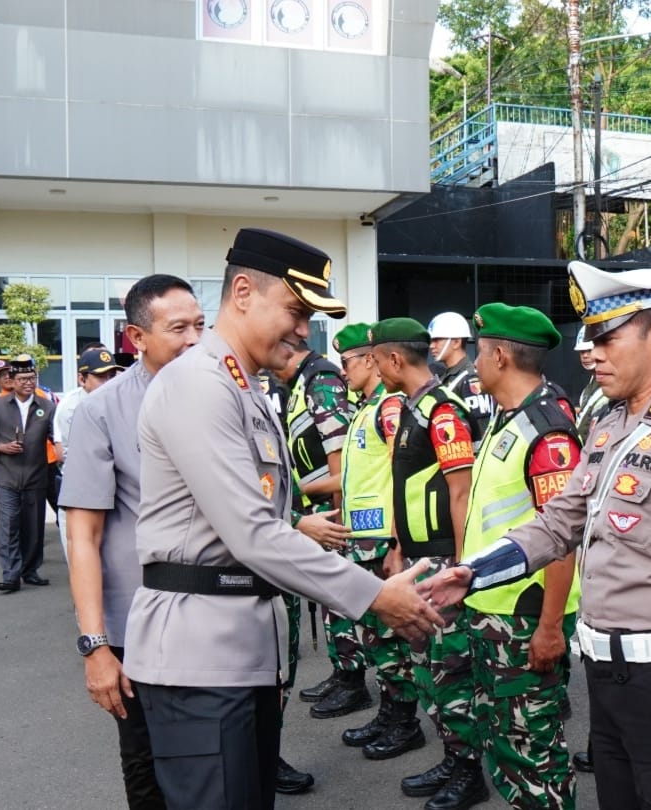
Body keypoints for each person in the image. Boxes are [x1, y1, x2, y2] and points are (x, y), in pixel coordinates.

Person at [122, 227, 442, 810]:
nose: (303, 330)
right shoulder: (200, 384)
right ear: (242, 292)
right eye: (295, 310)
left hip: (238, 650)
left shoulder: (242, 386)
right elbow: (251, 531)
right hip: (200, 660)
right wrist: (374, 596)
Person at [419, 259, 651, 810]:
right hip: (607, 674)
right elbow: (558, 523)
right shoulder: (610, 426)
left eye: (607, 336)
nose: (592, 353)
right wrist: (471, 573)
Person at [61, 275, 205, 809]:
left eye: (199, 325)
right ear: (136, 338)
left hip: (221, 619)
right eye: (177, 328)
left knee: (223, 764)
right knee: (150, 768)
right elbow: (83, 534)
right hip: (141, 627)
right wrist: (95, 646)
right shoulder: (104, 412)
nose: (193, 339)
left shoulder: (235, 393)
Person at [462, 303, 582, 810]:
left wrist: (550, 626)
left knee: (534, 751)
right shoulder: (508, 419)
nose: (473, 363)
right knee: (505, 745)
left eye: (480, 352)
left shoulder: (547, 428)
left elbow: (563, 536)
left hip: (527, 614)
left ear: (501, 356)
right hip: (495, 610)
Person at [369, 316, 487, 810]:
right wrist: (396, 545)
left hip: (442, 556)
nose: (375, 369)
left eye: (376, 359)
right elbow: (402, 484)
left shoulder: (441, 412)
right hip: (416, 554)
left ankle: (468, 769)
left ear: (395, 359)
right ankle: (450, 754)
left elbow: (459, 492)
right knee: (427, 667)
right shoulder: (410, 409)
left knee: (450, 668)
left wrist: (459, 563)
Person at [329, 323, 426, 762]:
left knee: (390, 636)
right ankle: (390, 710)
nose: (342, 371)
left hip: (381, 540)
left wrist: (396, 543)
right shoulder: (365, 408)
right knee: (376, 637)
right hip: (362, 539)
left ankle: (404, 719)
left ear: (371, 360)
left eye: (347, 362)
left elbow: (402, 474)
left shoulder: (389, 409)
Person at [280, 337, 368, 722]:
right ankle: (341, 670)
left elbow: (339, 463)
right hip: (313, 510)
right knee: (328, 598)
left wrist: (338, 523)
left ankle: (353, 679)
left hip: (329, 513)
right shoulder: (300, 383)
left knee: (337, 594)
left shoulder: (321, 381)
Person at [0, 356, 57, 593]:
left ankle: (30, 571)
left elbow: (55, 438)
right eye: (23, 379)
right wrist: (0, 447)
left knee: (34, 526)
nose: (29, 383)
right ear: (12, 381)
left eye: (32, 378)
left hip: (36, 476)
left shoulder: (47, 406)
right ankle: (11, 575)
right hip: (6, 476)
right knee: (9, 524)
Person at [52, 347, 123, 559]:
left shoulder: (115, 400)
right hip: (82, 494)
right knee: (83, 561)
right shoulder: (73, 407)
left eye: (112, 376)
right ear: (82, 379)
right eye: (101, 377)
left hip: (114, 493)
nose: (109, 382)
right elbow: (74, 456)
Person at [430, 311, 496, 444]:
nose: (432, 345)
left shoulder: (470, 378)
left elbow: (480, 433)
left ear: (456, 342)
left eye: (437, 340)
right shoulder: (445, 377)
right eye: (431, 340)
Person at [574, 326, 610, 441]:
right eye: (581, 352)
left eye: (589, 350)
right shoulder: (591, 384)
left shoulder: (612, 385)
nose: (585, 356)